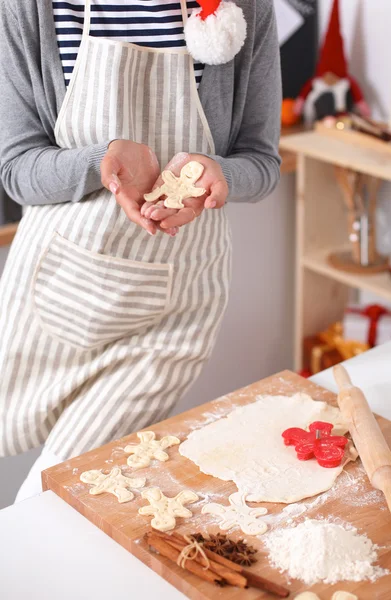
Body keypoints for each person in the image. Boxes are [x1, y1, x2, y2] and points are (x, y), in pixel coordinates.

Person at [0, 0, 281, 501]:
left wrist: (222, 175)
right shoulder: (29, 8)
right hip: (56, 292)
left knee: (57, 497)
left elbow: (261, 161)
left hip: (170, 316)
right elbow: (17, 168)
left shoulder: (245, 8)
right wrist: (99, 160)